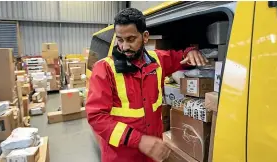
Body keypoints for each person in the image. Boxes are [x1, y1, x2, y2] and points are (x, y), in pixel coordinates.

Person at [86, 8, 207, 162]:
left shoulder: (158, 60)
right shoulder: (104, 69)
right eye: (120, 40)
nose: (124, 47)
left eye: (130, 39)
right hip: (121, 157)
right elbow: (97, 118)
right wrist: (139, 140)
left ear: (145, 37)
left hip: (153, 155)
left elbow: (181, 57)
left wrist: (191, 51)